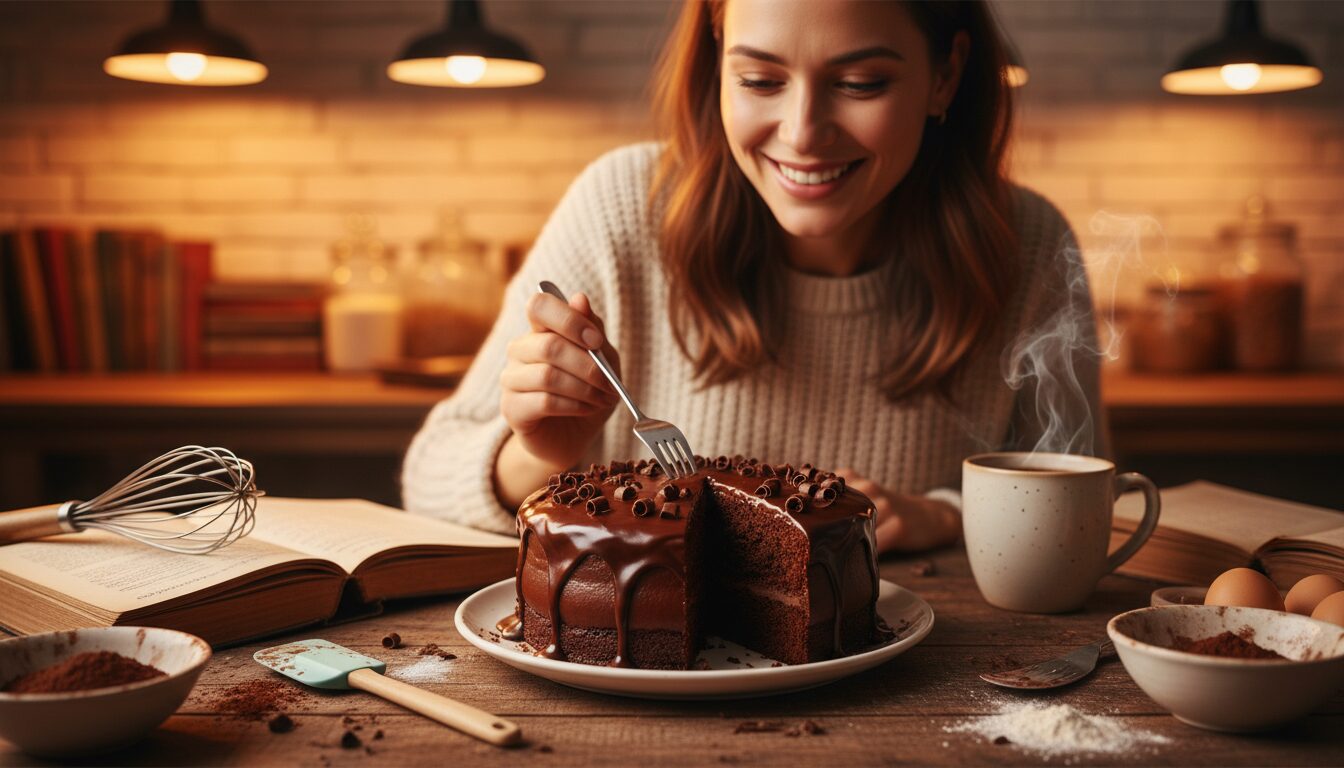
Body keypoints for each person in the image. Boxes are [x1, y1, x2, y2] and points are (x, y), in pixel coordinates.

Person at [402, 0, 1104, 555]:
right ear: (716, 66)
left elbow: (1081, 513)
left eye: (861, 83)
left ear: (944, 75)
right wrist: (538, 456)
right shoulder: (621, 206)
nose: (801, 133)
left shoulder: (1029, 244)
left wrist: (943, 517)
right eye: (760, 80)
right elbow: (426, 479)